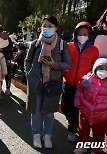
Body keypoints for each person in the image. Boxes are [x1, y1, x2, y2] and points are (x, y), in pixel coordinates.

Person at [24, 15, 71, 149]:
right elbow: (27, 60)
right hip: (35, 82)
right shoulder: (35, 43)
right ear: (41, 27)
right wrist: (29, 74)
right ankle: (36, 134)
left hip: (52, 83)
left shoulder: (62, 44)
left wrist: (53, 64)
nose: (47, 28)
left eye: (50, 26)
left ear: (56, 28)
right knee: (36, 110)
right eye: (44, 26)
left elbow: (68, 64)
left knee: (50, 112)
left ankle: (47, 135)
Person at [73, 56, 107, 154]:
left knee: (99, 134)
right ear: (95, 68)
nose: (103, 71)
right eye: (101, 69)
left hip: (101, 116)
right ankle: (82, 147)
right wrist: (78, 101)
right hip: (85, 111)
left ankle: (96, 150)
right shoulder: (87, 79)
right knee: (83, 131)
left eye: (106, 70)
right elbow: (80, 89)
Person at [61, 22, 99, 142]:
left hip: (82, 86)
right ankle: (71, 121)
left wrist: (90, 82)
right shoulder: (69, 46)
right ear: (75, 34)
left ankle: (72, 129)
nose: (82, 36)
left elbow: (94, 69)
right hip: (68, 83)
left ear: (89, 36)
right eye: (80, 34)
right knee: (65, 106)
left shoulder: (94, 50)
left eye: (85, 34)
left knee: (76, 108)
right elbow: (63, 63)